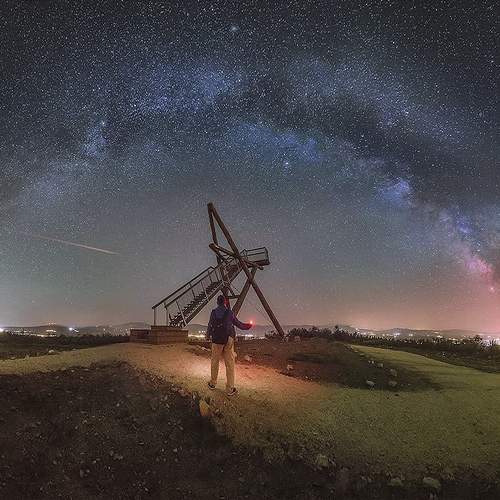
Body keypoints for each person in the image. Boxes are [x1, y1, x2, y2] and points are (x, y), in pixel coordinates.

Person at [206, 294, 252, 396]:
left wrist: (207, 335)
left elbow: (210, 324)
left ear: (217, 302)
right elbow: (238, 324)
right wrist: (248, 326)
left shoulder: (213, 312)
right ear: (225, 302)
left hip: (216, 340)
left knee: (214, 361)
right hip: (228, 340)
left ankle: (213, 383)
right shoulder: (229, 313)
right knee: (230, 364)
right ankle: (230, 388)